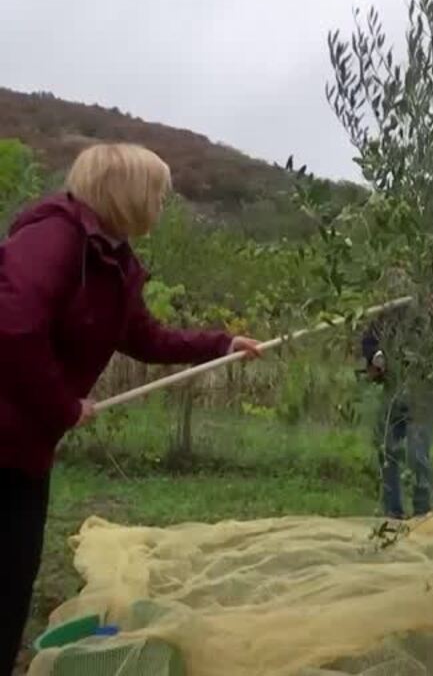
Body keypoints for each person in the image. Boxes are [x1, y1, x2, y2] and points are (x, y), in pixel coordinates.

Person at [0, 143, 262, 672]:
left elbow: (145, 337)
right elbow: (12, 325)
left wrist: (219, 344)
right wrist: (62, 406)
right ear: (126, 194)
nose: (163, 204)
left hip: (26, 449)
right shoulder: (55, 237)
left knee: (12, 580)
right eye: (158, 194)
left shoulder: (113, 260)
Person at [361, 297, 433, 520]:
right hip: (392, 392)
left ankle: (422, 511)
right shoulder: (385, 318)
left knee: (418, 454)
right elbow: (369, 342)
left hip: (421, 393)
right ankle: (392, 510)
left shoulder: (428, 319)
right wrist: (376, 356)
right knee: (387, 451)